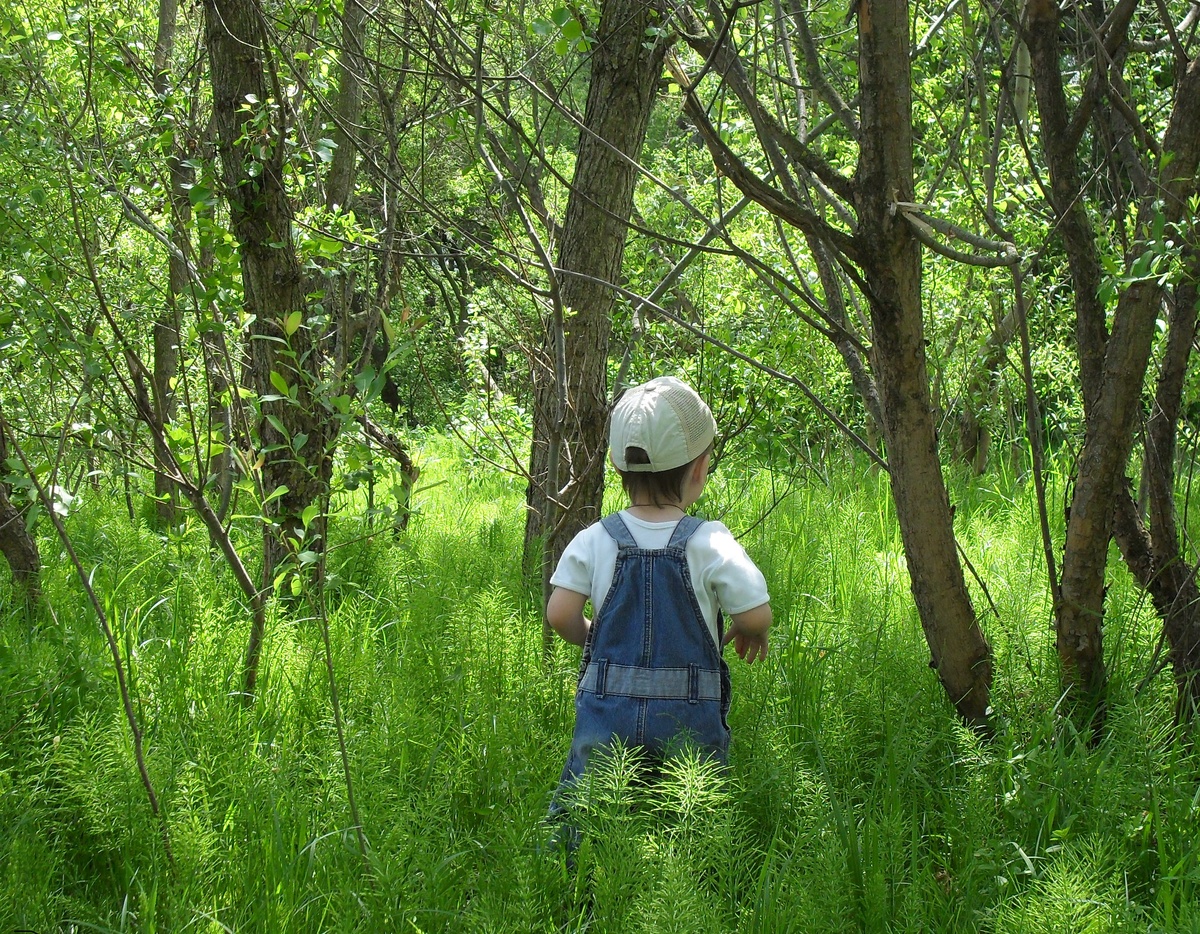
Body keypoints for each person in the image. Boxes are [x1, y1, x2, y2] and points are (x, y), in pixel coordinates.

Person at [546, 376, 772, 805]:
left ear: (616, 468)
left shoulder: (595, 538)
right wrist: (751, 630)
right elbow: (756, 612)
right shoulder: (710, 540)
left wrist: (592, 632)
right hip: (687, 710)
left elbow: (560, 614)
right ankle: (694, 853)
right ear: (700, 469)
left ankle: (571, 861)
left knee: (587, 804)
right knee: (693, 805)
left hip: (607, 710)